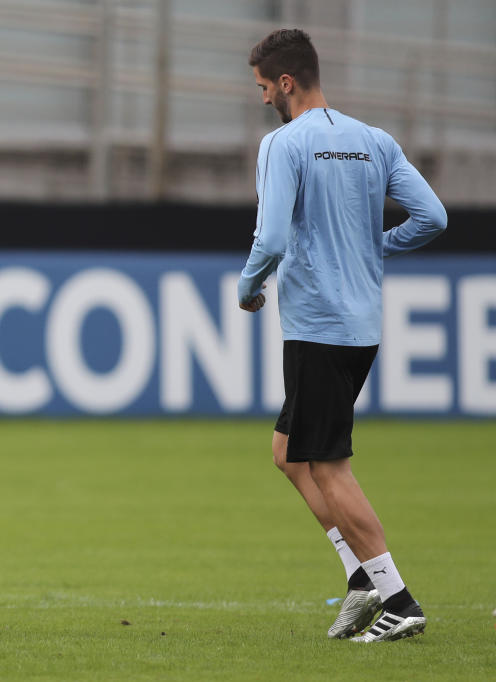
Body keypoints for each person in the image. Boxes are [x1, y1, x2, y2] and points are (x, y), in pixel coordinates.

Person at [238, 29, 446, 642]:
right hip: (360, 325)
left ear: (284, 83)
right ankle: (359, 576)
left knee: (327, 464)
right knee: (287, 453)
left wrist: (249, 285)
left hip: (316, 325)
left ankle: (398, 599)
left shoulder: (283, 143)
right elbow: (432, 217)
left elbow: (271, 239)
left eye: (261, 88)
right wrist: (378, 247)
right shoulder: (374, 140)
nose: (260, 101)